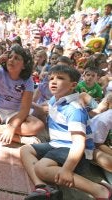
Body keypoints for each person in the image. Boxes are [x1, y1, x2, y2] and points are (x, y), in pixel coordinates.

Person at [20, 65, 111, 200]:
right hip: (57, 144)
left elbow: (79, 143)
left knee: (42, 168)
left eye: (60, 78)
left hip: (71, 148)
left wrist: (67, 170)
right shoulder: (55, 100)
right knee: (25, 150)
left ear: (73, 85)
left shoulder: (74, 109)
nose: (54, 81)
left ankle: (100, 190)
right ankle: (43, 187)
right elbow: (43, 110)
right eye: (51, 78)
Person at [0, 45, 44, 145]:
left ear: (24, 65)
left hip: (16, 114)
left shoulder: (28, 81)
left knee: (38, 125)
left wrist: (12, 127)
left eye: (17, 58)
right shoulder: (0, 72)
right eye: (10, 57)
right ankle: (19, 139)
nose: (11, 60)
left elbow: (25, 109)